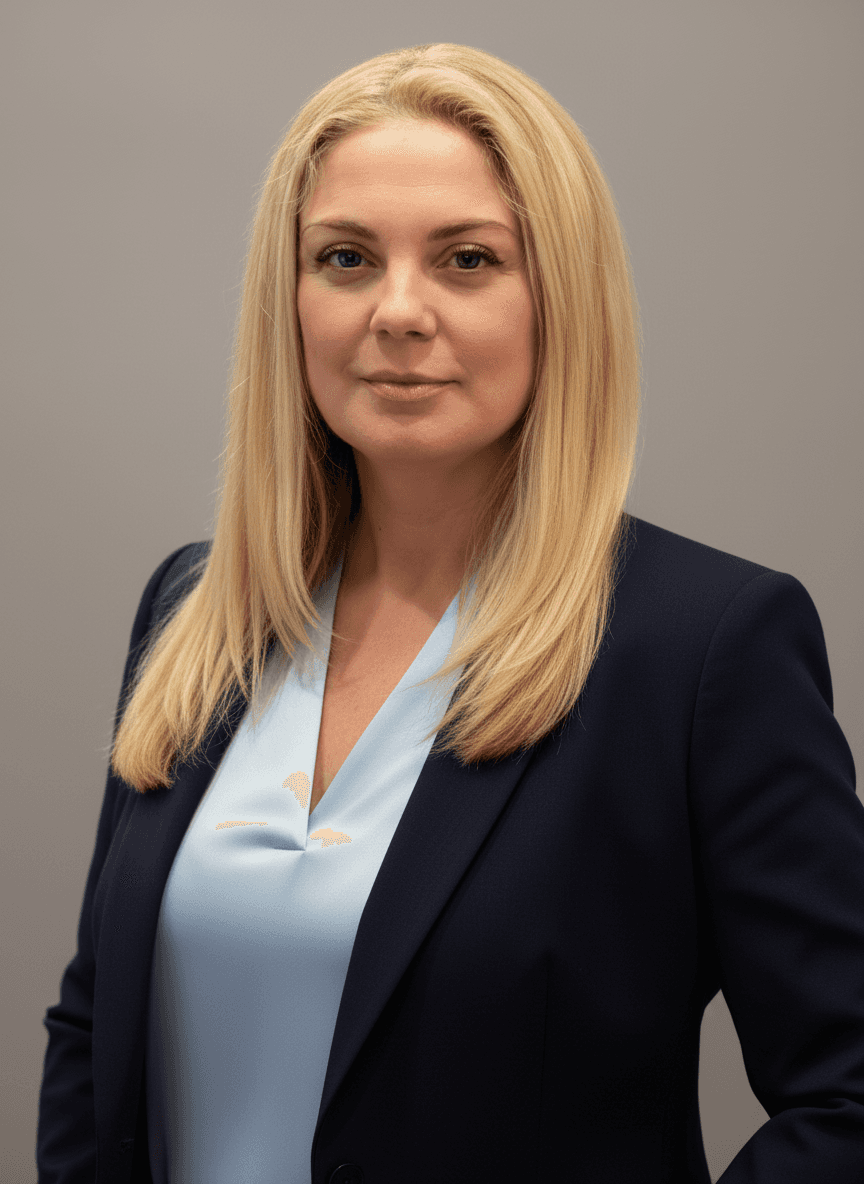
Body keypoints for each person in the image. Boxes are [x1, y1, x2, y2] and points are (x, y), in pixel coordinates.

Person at [36, 42, 864, 1184]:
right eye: (345, 258)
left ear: (558, 297)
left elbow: (849, 1092)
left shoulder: (702, 649)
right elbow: (92, 1031)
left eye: (467, 259)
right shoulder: (194, 609)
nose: (398, 311)